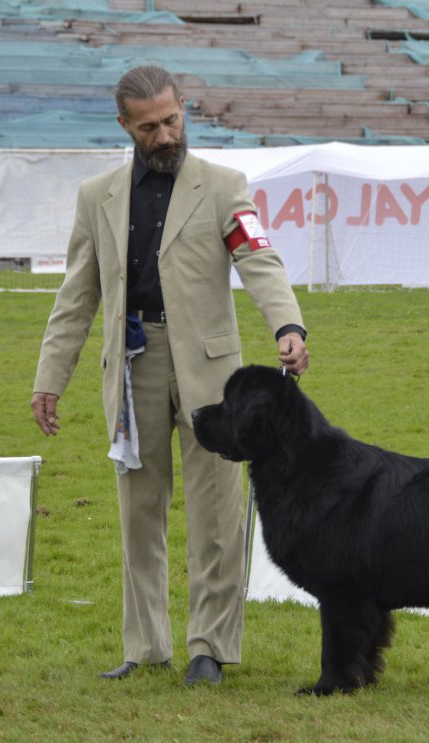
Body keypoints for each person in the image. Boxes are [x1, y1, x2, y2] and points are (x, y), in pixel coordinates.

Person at [30, 65, 309, 686]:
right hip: (131, 368)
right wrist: (50, 378)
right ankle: (146, 646)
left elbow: (259, 258)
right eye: (149, 126)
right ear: (125, 125)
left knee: (217, 510)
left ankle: (209, 646)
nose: (164, 135)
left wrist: (289, 326)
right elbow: (77, 295)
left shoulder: (224, 184)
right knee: (139, 511)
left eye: (173, 119)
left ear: (185, 108)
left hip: (212, 372)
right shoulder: (95, 196)